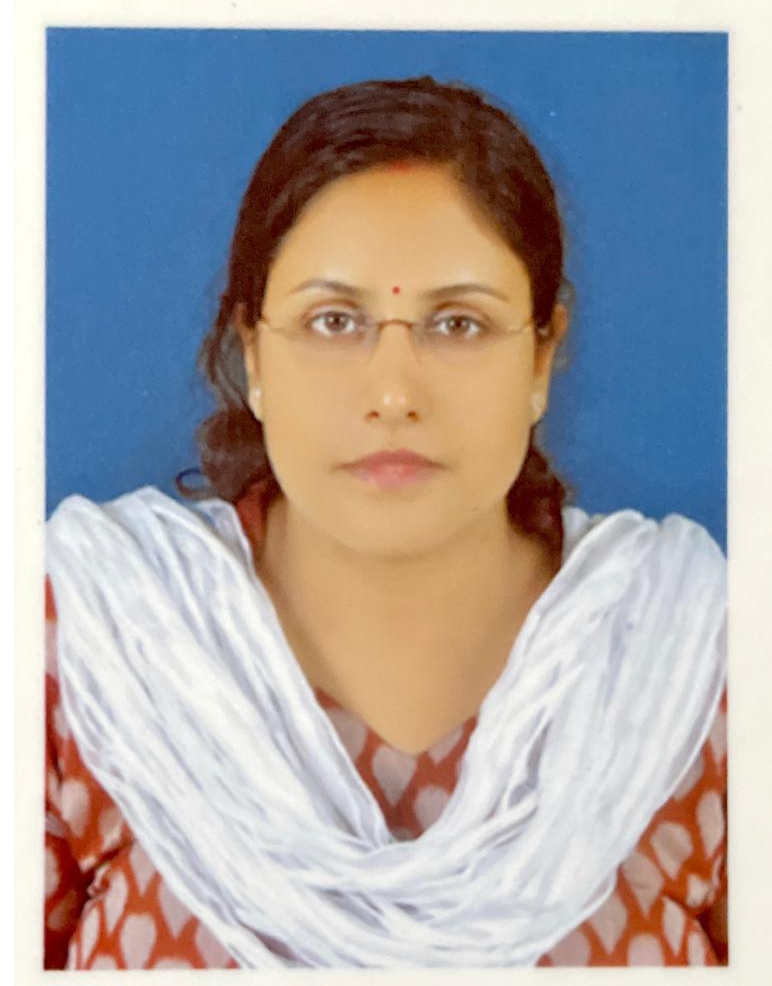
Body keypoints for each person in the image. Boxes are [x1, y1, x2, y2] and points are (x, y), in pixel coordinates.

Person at [44, 76, 727, 969]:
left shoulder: (693, 663)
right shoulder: (91, 647)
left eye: (458, 324)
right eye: (333, 320)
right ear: (253, 353)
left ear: (541, 356)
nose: (395, 393)